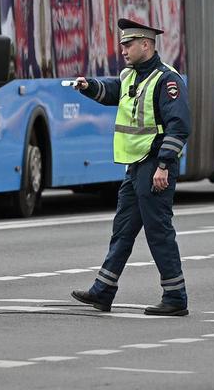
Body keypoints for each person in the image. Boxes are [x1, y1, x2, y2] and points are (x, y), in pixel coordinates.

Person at [69, 18, 191, 316]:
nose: (123, 49)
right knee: (122, 231)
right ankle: (103, 290)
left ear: (146, 45)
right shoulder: (130, 75)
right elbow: (112, 91)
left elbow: (178, 127)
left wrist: (164, 165)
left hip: (154, 166)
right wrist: (88, 87)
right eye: (123, 44)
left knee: (158, 232)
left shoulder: (167, 80)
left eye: (129, 44)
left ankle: (175, 297)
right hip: (135, 167)